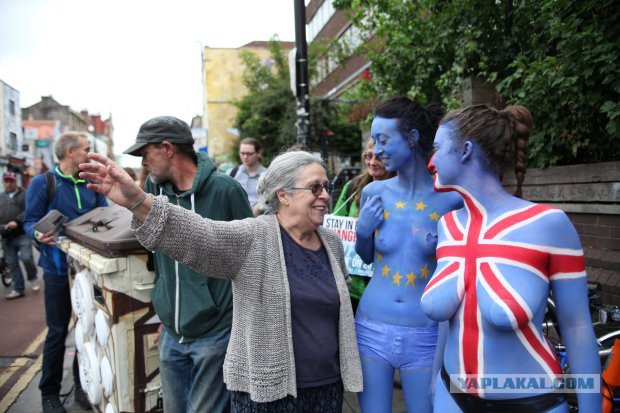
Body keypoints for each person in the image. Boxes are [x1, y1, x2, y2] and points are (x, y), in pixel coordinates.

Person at [79, 150, 363, 412]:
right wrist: (139, 202)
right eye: (315, 187)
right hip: (268, 395)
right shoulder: (254, 237)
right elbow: (200, 235)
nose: (325, 195)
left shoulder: (332, 244)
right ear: (284, 195)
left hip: (327, 387)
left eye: (327, 187)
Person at [421, 104, 601, 411]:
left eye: (437, 148)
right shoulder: (447, 225)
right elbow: (450, 320)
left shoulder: (548, 224)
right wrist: (434, 387)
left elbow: (577, 327)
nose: (430, 162)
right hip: (451, 396)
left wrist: (591, 408)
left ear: (465, 150)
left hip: (531, 402)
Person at [122, 115, 253, 412]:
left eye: (146, 153)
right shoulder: (155, 192)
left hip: (216, 332)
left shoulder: (226, 190)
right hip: (171, 333)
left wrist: (239, 326)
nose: (143, 162)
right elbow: (159, 260)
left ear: (167, 148)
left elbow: (250, 260)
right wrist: (167, 315)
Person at [354, 97, 462, 412]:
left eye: (384, 140)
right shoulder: (374, 193)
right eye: (374, 140)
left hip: (426, 335)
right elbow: (366, 258)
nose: (377, 150)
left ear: (412, 138)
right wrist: (363, 231)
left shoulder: (452, 200)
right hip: (371, 328)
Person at [24, 131, 108, 413]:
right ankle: (49, 392)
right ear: (71, 152)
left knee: (87, 330)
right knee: (58, 331)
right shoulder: (43, 182)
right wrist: (36, 233)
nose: (89, 152)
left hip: (89, 270)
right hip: (58, 271)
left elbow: (105, 216)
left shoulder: (91, 181)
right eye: (86, 148)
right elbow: (30, 221)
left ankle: (82, 388)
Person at [332, 138, 394, 313]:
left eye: (379, 157)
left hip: (384, 283)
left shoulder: (402, 191)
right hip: (351, 285)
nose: (372, 162)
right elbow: (336, 227)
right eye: (368, 156)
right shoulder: (353, 186)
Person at [1, 171, 39, 299]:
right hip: (6, 236)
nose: (8, 184)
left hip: (22, 233)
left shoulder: (25, 194)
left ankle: (33, 278)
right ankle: (18, 289)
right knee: (12, 263)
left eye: (11, 181)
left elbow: (29, 210)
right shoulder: (1, 197)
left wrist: (16, 221)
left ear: (15, 181)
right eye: (6, 181)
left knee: (26, 257)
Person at [227, 137, 267, 208]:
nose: (245, 156)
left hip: (260, 217)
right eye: (242, 153)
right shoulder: (231, 173)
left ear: (259, 153)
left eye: (249, 153)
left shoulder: (268, 175)